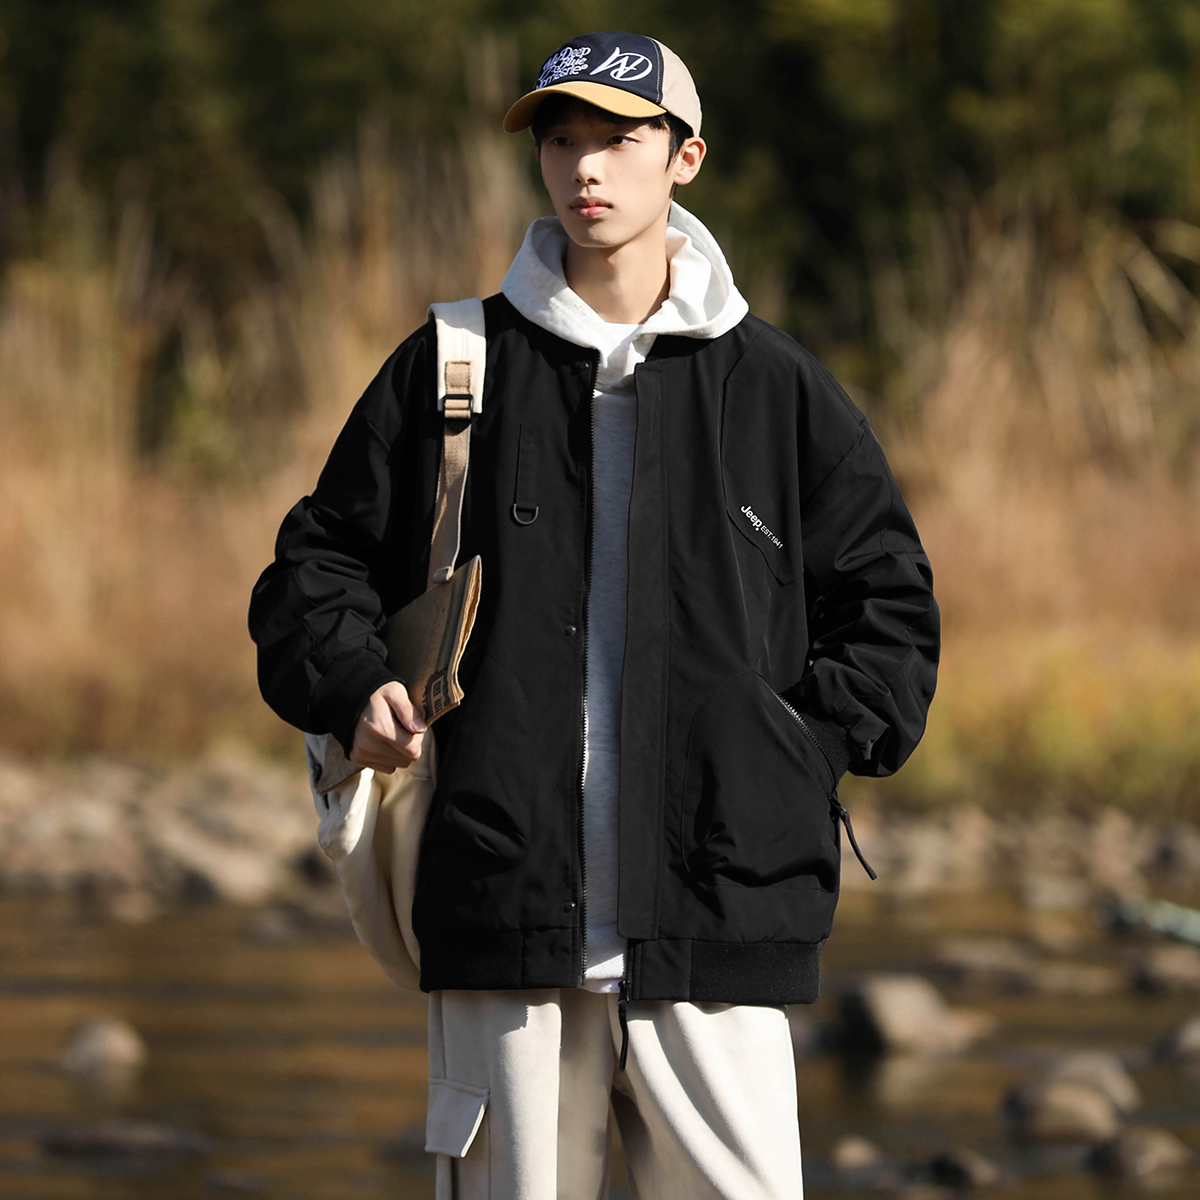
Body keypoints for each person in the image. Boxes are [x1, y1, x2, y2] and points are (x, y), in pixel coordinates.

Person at [248, 29, 939, 1200]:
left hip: (723, 922)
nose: (586, 168)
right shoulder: (452, 363)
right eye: (561, 141)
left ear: (686, 157)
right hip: (501, 914)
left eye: (619, 139)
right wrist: (351, 683)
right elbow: (314, 571)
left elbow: (890, 611)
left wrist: (790, 752)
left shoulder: (777, 387)